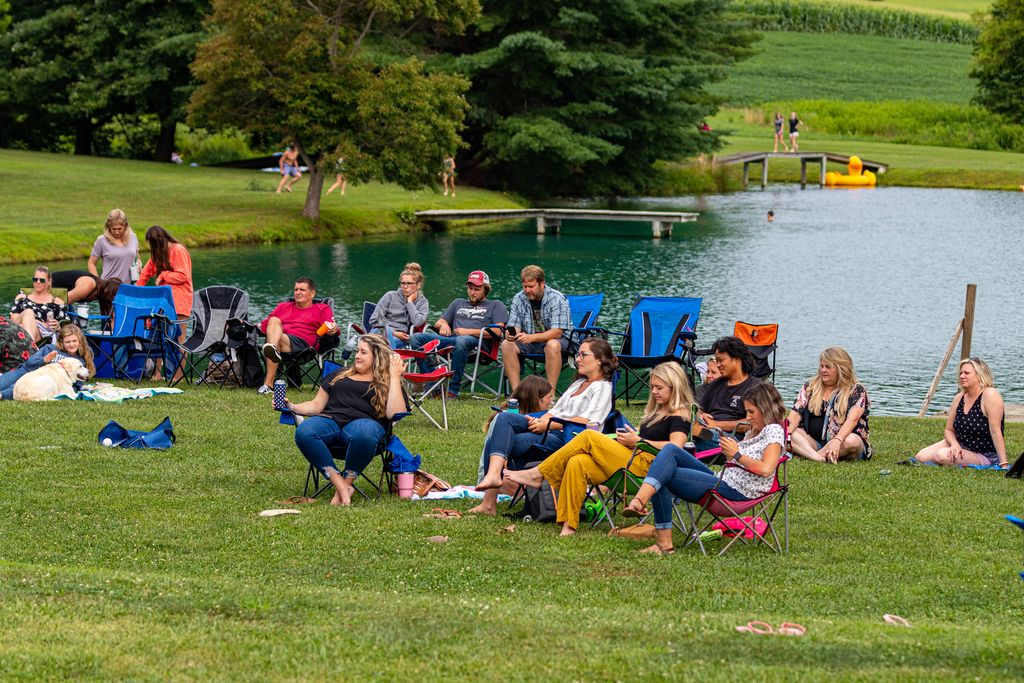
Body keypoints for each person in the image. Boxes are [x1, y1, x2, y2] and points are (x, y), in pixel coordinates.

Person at [506, 362, 693, 536]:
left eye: (659, 388)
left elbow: (675, 447)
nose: (654, 392)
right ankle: (568, 525)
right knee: (577, 461)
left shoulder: (680, 414)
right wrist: (628, 438)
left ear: (674, 386)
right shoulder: (657, 410)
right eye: (652, 387)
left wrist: (638, 440)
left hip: (650, 468)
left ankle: (538, 474)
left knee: (588, 436)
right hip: (630, 459)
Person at [624, 383, 787, 555]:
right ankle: (641, 502)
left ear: (766, 409)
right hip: (722, 481)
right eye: (746, 411)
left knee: (664, 475)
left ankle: (659, 535)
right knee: (671, 450)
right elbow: (741, 463)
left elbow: (766, 469)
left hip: (734, 492)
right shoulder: (753, 432)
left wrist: (737, 454)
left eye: (751, 412)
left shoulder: (773, 431)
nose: (747, 417)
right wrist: (730, 454)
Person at [475, 338, 617, 505]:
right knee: (503, 417)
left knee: (497, 441)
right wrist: (541, 421)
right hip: (549, 429)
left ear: (600, 360)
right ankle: (492, 478)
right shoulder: (578, 383)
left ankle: (488, 502)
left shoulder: (602, 388)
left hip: (570, 439)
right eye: (578, 355)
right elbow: (555, 411)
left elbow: (590, 421)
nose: (578, 359)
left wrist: (549, 424)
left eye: (583, 355)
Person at [286, 335, 407, 506]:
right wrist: (292, 406)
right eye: (357, 351)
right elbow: (316, 405)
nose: (357, 356)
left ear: (377, 357)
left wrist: (394, 377)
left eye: (363, 352)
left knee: (364, 433)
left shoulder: (388, 381)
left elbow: (395, 413)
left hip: (366, 425)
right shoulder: (338, 374)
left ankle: (347, 482)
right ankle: (341, 486)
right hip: (331, 421)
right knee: (305, 431)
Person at [409, 270, 508, 399]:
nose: (472, 292)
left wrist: (467, 332)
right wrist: (444, 325)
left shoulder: (496, 305)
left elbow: (498, 331)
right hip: (452, 341)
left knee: (462, 340)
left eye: (477, 289)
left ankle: (452, 390)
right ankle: (433, 383)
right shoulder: (458, 303)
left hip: (477, 345)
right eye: (470, 288)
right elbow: (439, 322)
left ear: (486, 289)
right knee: (416, 338)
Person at [469, 376, 555, 516]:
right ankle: (492, 489)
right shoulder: (506, 418)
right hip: (503, 474)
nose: (552, 402)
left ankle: (489, 501)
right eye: (549, 398)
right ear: (537, 399)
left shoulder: (532, 419)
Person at [914, 357, 1008, 468]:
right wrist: (955, 445)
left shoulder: (990, 395)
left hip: (984, 454)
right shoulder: (959, 398)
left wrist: (1003, 464)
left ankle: (985, 462)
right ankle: (955, 457)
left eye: (967, 373)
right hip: (961, 445)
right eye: (961, 373)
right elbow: (949, 430)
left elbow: (995, 431)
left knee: (941, 455)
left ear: (979, 375)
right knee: (920, 457)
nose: (962, 376)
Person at [788, 347, 873, 463]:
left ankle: (811, 455)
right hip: (814, 443)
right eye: (822, 366)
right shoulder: (810, 387)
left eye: (828, 367)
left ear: (841, 369)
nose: (823, 370)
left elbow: (853, 420)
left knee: (852, 441)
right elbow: (794, 416)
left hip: (843, 442)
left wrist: (837, 440)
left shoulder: (856, 390)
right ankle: (819, 458)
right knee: (791, 433)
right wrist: (785, 435)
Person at [258, 277, 339, 394]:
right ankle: (274, 349)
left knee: (273, 341)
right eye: (296, 289)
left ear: (312, 293)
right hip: (281, 340)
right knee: (274, 320)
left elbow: (332, 326)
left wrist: (334, 328)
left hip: (304, 345)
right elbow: (264, 326)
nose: (298, 292)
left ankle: (268, 384)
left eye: (302, 290)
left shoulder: (322, 309)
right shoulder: (282, 307)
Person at [135, 226, 194, 381]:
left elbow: (183, 276)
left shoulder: (178, 250)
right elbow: (146, 273)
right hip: (163, 302)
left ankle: (177, 377)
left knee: (179, 340)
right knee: (159, 337)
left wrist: (164, 275)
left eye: (153, 244)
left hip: (180, 301)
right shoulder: (158, 254)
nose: (152, 248)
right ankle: (157, 374)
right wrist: (135, 292)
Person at [501, 264, 571, 391]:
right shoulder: (518, 298)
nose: (527, 290)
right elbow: (515, 326)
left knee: (552, 344)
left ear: (542, 283)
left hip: (560, 342)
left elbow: (557, 332)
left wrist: (530, 337)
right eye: (525, 286)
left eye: (531, 287)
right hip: (531, 341)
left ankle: (550, 394)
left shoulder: (557, 299)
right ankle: (517, 395)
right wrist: (511, 334)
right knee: (507, 344)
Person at [694, 336, 761, 447]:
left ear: (737, 359)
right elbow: (700, 410)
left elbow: (754, 423)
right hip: (707, 429)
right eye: (717, 360)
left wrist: (717, 424)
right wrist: (701, 416)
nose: (718, 364)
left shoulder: (755, 387)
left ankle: (690, 434)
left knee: (698, 433)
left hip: (733, 439)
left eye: (721, 360)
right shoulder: (715, 384)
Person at [0, 323, 95, 400]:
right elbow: (29, 363)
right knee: (6, 381)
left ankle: (2, 395)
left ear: (80, 341)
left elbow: (76, 382)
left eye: (74, 341)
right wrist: (44, 360)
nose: (71, 344)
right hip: (25, 371)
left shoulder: (79, 361)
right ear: (61, 342)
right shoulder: (50, 348)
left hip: (39, 383)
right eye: (67, 342)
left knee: (19, 388)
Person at [370, 263, 429, 349]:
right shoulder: (390, 296)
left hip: (401, 338)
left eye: (409, 283)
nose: (405, 287)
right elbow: (374, 320)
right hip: (381, 332)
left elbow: (418, 323)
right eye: (403, 283)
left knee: (379, 343)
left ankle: (388, 359)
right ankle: (391, 359)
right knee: (379, 337)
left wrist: (410, 302)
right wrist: (393, 332)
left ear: (418, 285)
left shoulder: (423, 302)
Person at [10, 266, 67, 343]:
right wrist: (39, 322)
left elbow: (66, 328)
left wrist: (58, 327)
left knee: (27, 316)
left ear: (49, 282)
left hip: (41, 334)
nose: (38, 282)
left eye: (42, 280)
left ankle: (29, 345)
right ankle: (30, 345)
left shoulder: (57, 302)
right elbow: (13, 318)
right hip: (19, 328)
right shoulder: (21, 297)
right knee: (28, 312)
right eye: (35, 279)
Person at [88, 209, 140, 284]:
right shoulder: (101, 240)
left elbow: (137, 257)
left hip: (131, 286)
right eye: (113, 229)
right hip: (109, 287)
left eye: (119, 229)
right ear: (108, 226)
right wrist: (98, 283)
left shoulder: (133, 237)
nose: (116, 232)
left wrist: (138, 265)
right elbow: (91, 263)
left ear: (125, 226)